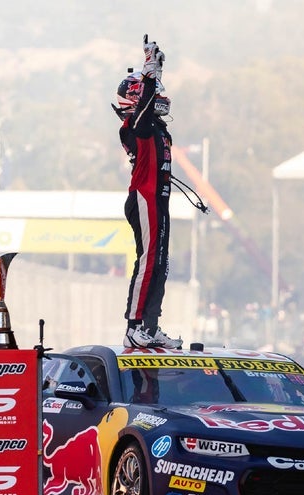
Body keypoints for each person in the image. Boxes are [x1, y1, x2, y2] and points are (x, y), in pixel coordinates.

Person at [114, 35, 182, 349]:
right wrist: (150, 68)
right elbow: (145, 100)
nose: (162, 99)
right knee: (148, 260)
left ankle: (151, 326)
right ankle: (133, 325)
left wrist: (154, 77)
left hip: (160, 199)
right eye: (155, 94)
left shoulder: (157, 128)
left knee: (161, 263)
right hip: (144, 197)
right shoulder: (134, 126)